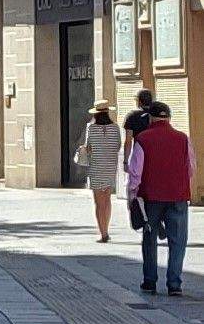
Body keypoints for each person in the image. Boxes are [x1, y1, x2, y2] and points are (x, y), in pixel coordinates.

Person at [129, 101, 194, 297]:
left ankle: (150, 281)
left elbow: (135, 173)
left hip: (151, 197)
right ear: (169, 118)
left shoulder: (142, 139)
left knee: (150, 238)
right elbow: (191, 167)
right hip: (178, 196)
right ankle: (174, 284)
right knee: (178, 240)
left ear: (150, 118)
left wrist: (133, 195)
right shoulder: (183, 138)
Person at [80, 101, 123, 242]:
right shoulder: (115, 127)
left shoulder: (91, 128)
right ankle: (106, 228)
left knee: (98, 202)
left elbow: (88, 147)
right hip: (110, 166)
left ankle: (103, 232)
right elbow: (117, 145)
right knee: (107, 200)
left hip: (96, 167)